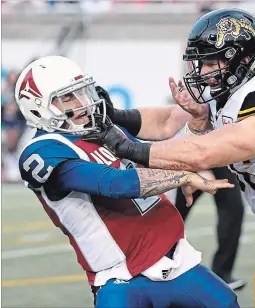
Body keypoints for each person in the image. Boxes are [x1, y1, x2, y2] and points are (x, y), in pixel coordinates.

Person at [83, 8, 255, 307]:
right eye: (200, 64)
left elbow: (203, 151)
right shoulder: (227, 94)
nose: (202, 73)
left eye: (211, 63)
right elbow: (166, 122)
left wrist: (125, 146)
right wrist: (113, 117)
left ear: (242, 59)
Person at [15, 56, 240, 308]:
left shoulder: (101, 128)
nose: (82, 103)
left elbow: (155, 156)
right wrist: (184, 176)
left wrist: (195, 129)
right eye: (68, 97)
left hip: (177, 260)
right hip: (121, 279)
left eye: (81, 92)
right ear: (38, 107)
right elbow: (116, 184)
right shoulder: (42, 151)